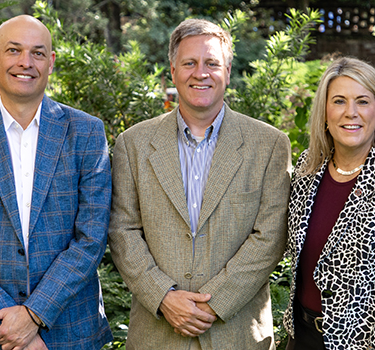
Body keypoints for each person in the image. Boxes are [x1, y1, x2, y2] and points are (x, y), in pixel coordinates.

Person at [108, 18, 291, 350]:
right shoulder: (133, 144)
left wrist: (213, 303)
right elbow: (123, 230)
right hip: (157, 336)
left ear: (229, 71)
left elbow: (271, 236)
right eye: (190, 63)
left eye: (212, 63)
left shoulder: (269, 145)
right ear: (173, 70)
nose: (200, 73)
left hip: (237, 336)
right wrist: (164, 297)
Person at [0, 15, 113, 350]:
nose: (25, 62)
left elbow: (91, 237)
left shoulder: (86, 133)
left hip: (68, 331)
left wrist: (34, 315)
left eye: (38, 53)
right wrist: (8, 322)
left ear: (52, 61)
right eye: (13, 50)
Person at [282, 57, 375, 349]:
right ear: (324, 113)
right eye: (339, 101)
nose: (351, 113)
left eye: (362, 102)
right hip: (301, 336)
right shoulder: (306, 169)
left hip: (362, 344)